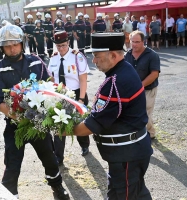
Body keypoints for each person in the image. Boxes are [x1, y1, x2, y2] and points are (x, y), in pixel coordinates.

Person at [0, 24, 70, 200]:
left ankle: (57, 188)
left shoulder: (35, 61)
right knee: (12, 163)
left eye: (15, 44)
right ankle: (11, 195)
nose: (12, 49)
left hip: (38, 124)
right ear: (1, 47)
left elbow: (49, 85)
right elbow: (0, 103)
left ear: (22, 43)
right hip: (15, 125)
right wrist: (20, 117)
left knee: (49, 158)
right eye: (7, 46)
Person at [71, 32, 153, 199]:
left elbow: (92, 125)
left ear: (113, 55)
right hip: (128, 153)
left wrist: (63, 130)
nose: (93, 61)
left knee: (127, 195)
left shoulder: (116, 82)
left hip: (126, 155)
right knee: (133, 193)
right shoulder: (124, 70)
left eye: (96, 56)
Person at [48, 31, 90, 165]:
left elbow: (83, 80)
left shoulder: (77, 57)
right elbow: (52, 78)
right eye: (58, 46)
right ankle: (58, 156)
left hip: (77, 94)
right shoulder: (53, 58)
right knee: (59, 125)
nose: (61, 49)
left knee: (79, 124)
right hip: (60, 95)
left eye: (64, 45)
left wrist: (81, 100)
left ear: (68, 43)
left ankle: (84, 145)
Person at [125, 30, 161, 139]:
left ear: (143, 41)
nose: (134, 44)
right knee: (133, 112)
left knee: (145, 111)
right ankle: (138, 133)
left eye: (137, 42)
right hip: (132, 90)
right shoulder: (127, 55)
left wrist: (140, 85)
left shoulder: (152, 55)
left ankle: (150, 134)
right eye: (132, 41)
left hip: (148, 89)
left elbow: (154, 74)